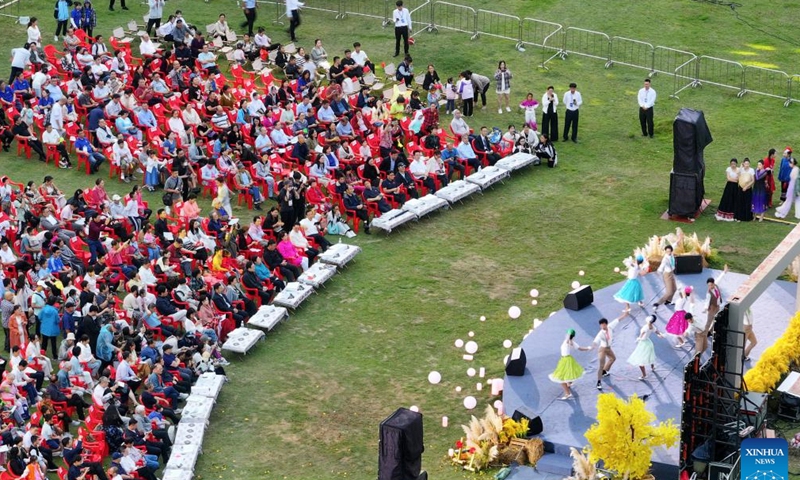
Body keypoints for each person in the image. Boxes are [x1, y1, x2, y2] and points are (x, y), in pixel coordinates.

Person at [549, 328, 592, 400]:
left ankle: (567, 393)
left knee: (560, 378)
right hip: (567, 359)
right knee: (567, 372)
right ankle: (569, 383)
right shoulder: (571, 342)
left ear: (568, 335)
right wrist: (588, 348)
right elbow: (580, 348)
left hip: (565, 360)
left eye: (567, 334)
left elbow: (570, 341)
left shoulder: (568, 341)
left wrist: (569, 336)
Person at [592, 312, 629, 390]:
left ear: (606, 324)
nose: (602, 326)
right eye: (601, 325)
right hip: (602, 349)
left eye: (603, 324)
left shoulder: (610, 326)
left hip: (608, 348)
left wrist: (625, 314)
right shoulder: (600, 333)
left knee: (613, 359)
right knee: (601, 365)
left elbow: (618, 319)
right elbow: (595, 341)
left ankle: (604, 372)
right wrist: (592, 346)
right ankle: (598, 382)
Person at [627, 315, 664, 380]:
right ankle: (653, 367)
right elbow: (656, 331)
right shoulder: (652, 326)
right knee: (650, 355)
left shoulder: (646, 327)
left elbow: (641, 336)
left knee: (640, 360)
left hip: (644, 344)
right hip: (649, 343)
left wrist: (638, 339)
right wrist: (660, 334)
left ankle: (644, 375)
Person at [701, 265, 728, 338]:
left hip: (717, 306)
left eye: (710, 285)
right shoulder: (708, 293)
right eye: (708, 285)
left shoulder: (716, 285)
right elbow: (707, 301)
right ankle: (705, 334)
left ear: (713, 283)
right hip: (712, 308)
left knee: (716, 319)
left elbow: (720, 278)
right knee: (709, 321)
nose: (709, 287)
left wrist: (724, 272)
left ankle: (710, 331)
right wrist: (705, 309)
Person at [653, 244, 676, 310]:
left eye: (669, 251)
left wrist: (678, 241)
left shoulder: (671, 255)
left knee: (674, 289)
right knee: (669, 292)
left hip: (671, 273)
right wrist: (658, 271)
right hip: (667, 275)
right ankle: (657, 303)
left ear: (671, 251)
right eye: (667, 251)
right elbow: (662, 266)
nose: (668, 252)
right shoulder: (665, 259)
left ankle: (668, 301)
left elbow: (674, 245)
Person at [734, 158, 755, 222]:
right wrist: (740, 167)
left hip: (748, 189)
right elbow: (737, 175)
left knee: (747, 202)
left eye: (748, 164)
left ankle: (747, 217)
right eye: (745, 164)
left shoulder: (751, 170)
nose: (747, 165)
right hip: (741, 188)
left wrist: (747, 187)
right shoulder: (741, 170)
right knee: (740, 202)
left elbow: (753, 180)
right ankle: (739, 217)